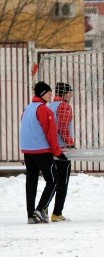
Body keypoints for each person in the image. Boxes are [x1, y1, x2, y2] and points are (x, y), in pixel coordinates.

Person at [19, 81, 67, 224]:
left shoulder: (27, 109)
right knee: (53, 180)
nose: (51, 95)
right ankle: (40, 209)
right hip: (41, 151)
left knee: (31, 182)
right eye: (48, 92)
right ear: (42, 94)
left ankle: (30, 215)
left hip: (28, 151)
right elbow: (51, 134)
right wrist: (58, 153)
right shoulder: (44, 110)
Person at [47, 82, 75, 222]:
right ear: (64, 93)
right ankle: (57, 213)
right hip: (62, 149)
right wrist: (71, 143)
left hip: (50, 148)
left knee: (53, 181)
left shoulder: (50, 106)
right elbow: (63, 128)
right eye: (70, 92)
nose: (71, 94)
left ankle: (44, 207)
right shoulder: (64, 106)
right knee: (62, 182)